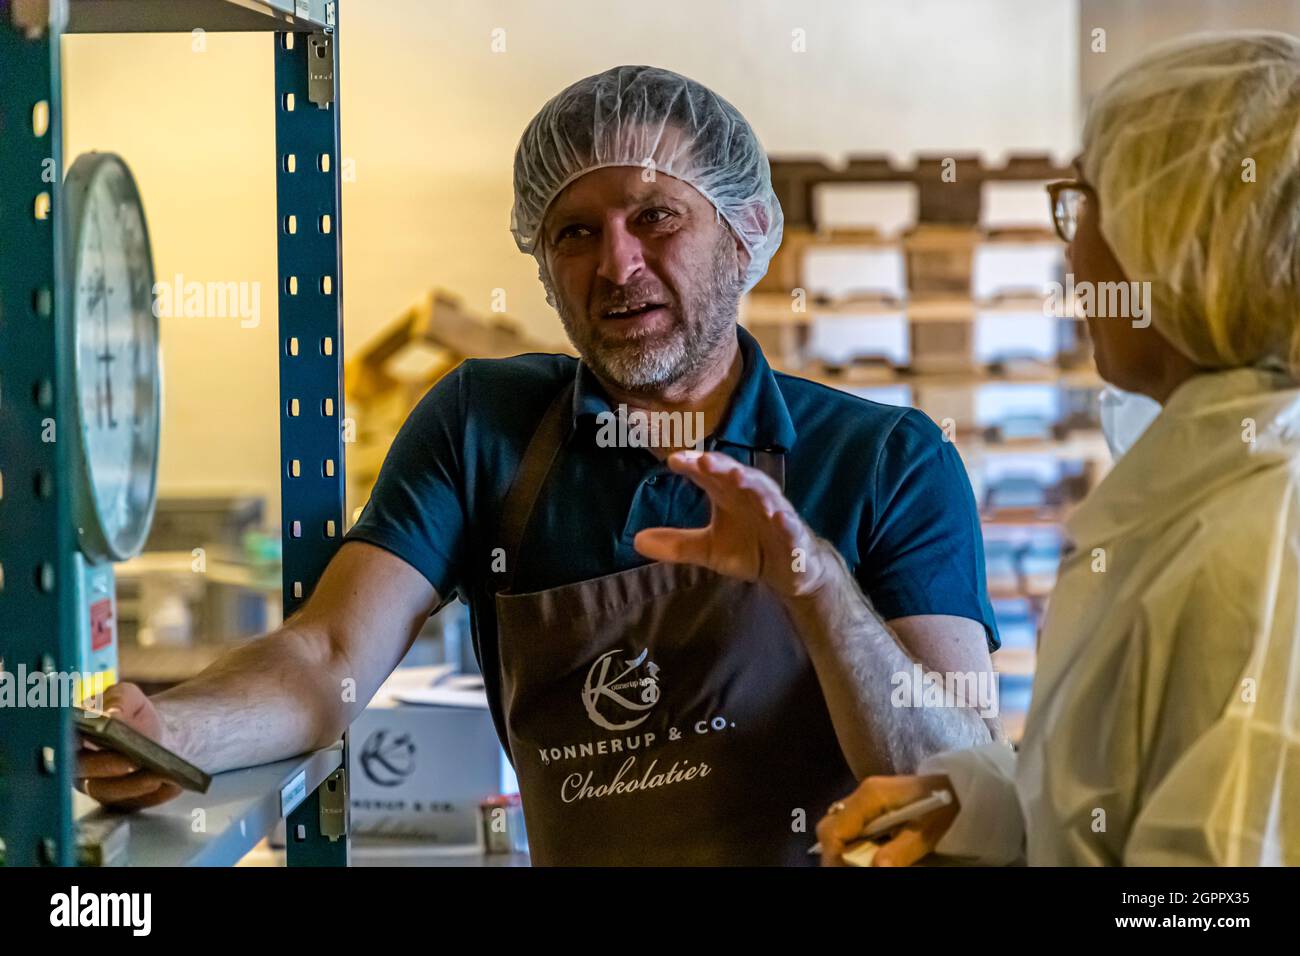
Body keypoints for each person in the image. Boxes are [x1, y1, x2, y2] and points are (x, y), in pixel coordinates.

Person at [81, 65, 1001, 866]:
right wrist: (172, 733)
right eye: (575, 234)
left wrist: (814, 584)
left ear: (744, 232)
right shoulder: (485, 424)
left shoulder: (888, 460)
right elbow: (328, 659)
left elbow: (949, 788)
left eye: (656, 216)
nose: (618, 264)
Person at [817, 31, 1300, 867]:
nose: (1070, 255)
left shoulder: (1265, 536)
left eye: (1088, 207)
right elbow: (1119, 803)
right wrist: (976, 808)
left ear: (1183, 237)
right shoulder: (1202, 483)